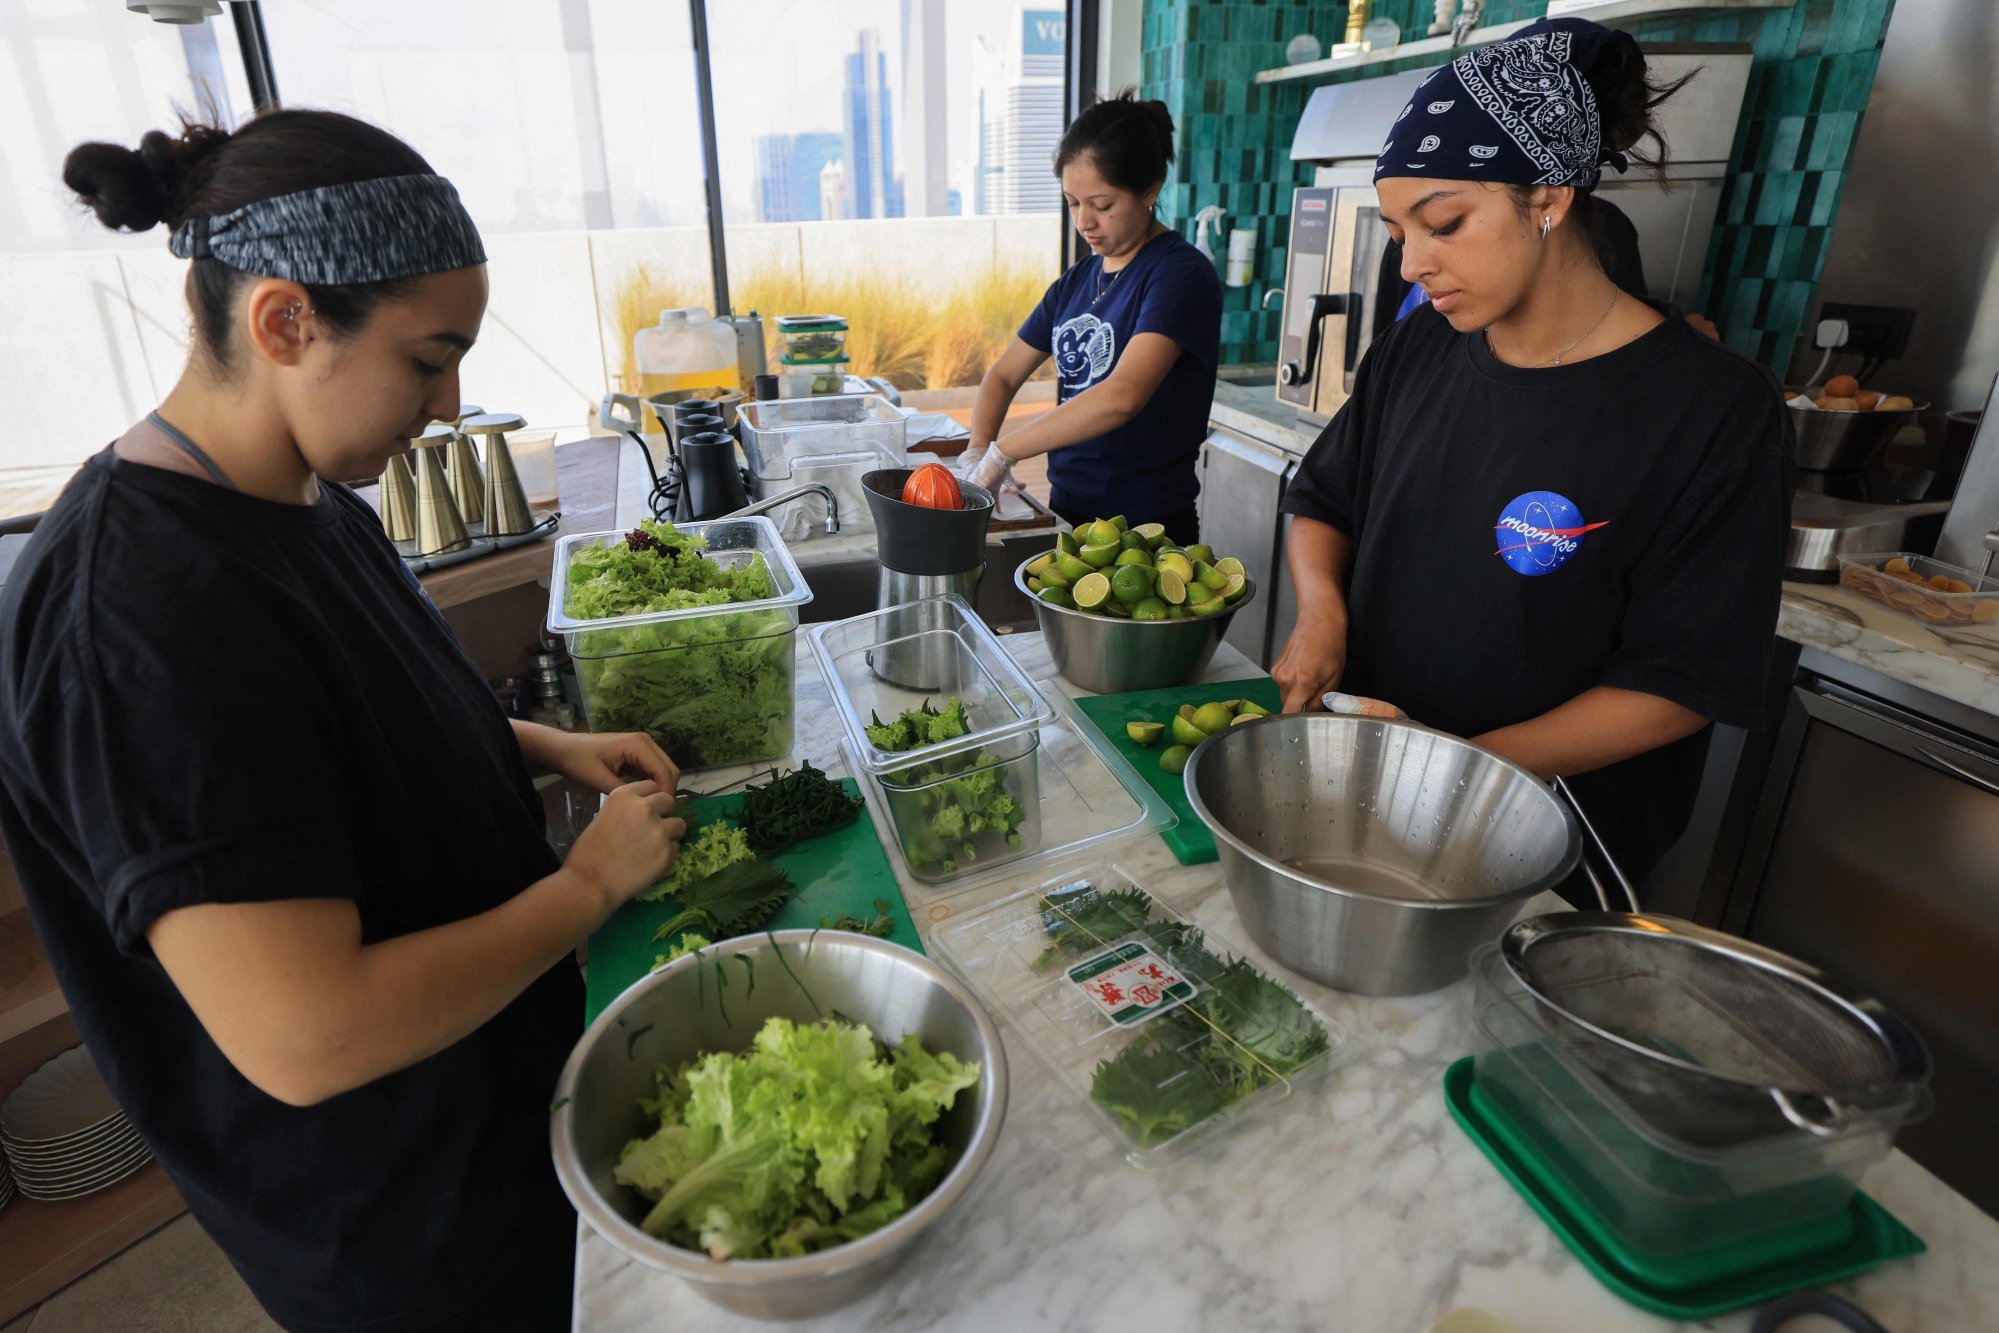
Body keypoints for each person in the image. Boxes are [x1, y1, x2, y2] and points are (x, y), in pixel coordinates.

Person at [0, 111, 688, 1332]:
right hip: (403, 1226)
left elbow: (338, 743)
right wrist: (586, 888)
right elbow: (308, 1033)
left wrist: (542, 745)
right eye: (430, 360)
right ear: (284, 322)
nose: (449, 401)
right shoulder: (136, 615)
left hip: (501, 1112)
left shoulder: (306, 499)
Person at [1271, 17, 1794, 886]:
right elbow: (1324, 499)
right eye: (1399, 232)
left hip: (1550, 839)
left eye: (1442, 223)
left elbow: (1685, 681)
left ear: (1547, 196)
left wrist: (1459, 771)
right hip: (1367, 798)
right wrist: (1321, 613)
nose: (1411, 266)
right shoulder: (1420, 349)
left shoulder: (1713, 410)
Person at [962, 91, 1223, 544]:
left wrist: (1006, 451)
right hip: (1069, 513)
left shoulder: (1179, 275)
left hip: (1146, 530)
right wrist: (977, 453)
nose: (1085, 222)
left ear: (1151, 190)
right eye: (1073, 202)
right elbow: (1002, 377)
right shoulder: (1077, 281)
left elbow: (1121, 395)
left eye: (1102, 205)